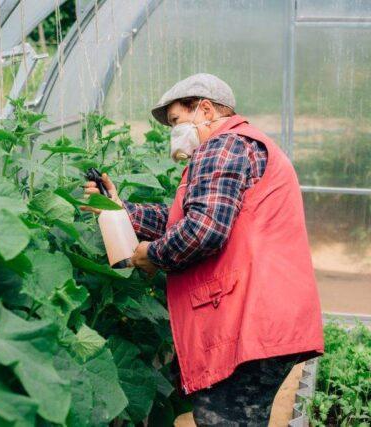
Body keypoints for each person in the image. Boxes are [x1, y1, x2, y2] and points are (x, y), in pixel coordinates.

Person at [82, 73, 324, 426]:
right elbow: (181, 220)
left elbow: (204, 230)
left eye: (177, 121)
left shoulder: (223, 145)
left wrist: (151, 255)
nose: (173, 133)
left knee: (223, 418)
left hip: (250, 318)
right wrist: (120, 210)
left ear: (206, 110)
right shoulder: (239, 145)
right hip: (265, 318)